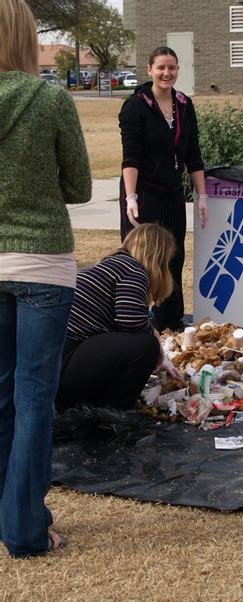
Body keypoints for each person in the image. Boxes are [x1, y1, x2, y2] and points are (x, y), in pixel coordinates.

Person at [0, 0, 92, 557]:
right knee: (35, 399)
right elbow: (80, 186)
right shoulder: (50, 99)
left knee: (3, 397)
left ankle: (13, 517)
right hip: (41, 265)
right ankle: (26, 530)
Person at [119, 46, 207, 333]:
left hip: (171, 191)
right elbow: (130, 156)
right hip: (143, 191)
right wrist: (130, 197)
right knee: (142, 257)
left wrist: (201, 196)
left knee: (174, 254)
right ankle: (136, 320)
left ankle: (171, 318)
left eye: (172, 67)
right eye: (161, 68)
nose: (166, 73)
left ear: (178, 70)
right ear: (149, 70)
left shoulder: (184, 104)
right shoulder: (136, 106)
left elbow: (193, 154)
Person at [57, 224, 183, 410]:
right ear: (157, 257)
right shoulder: (134, 270)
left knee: (147, 341)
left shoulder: (111, 265)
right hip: (66, 362)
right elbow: (130, 322)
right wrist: (156, 347)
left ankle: (90, 402)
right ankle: (114, 409)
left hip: (56, 359)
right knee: (146, 345)